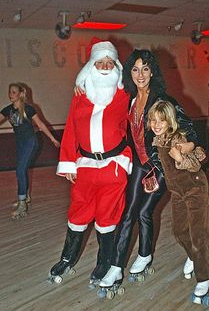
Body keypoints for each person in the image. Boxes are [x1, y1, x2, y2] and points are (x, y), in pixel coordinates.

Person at [98, 49, 198, 294]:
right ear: (129, 73)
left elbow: (191, 132)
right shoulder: (130, 100)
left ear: (152, 71)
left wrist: (184, 147)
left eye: (145, 68)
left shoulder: (163, 101)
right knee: (127, 213)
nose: (140, 74)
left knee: (144, 212)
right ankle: (116, 266)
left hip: (162, 165)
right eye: (135, 69)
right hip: (140, 165)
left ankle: (144, 255)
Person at [48, 38, 132, 286]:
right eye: (100, 62)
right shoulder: (80, 97)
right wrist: (68, 164)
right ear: (91, 67)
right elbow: (71, 132)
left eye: (110, 62)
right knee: (78, 212)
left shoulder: (123, 95)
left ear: (116, 66)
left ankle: (104, 262)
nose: (105, 67)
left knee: (108, 217)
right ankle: (67, 258)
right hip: (85, 166)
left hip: (113, 166)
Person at [147, 100, 209, 304]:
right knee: (179, 232)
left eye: (161, 120)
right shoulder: (157, 140)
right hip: (177, 193)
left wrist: (180, 156)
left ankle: (204, 278)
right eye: (153, 120)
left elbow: (196, 162)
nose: (157, 124)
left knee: (199, 237)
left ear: (170, 121)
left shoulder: (176, 138)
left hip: (195, 189)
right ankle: (194, 257)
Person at [0, 82, 60, 219]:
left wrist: (52, 139)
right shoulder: (8, 110)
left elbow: (41, 125)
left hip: (30, 142)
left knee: (20, 170)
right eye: (10, 92)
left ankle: (22, 204)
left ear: (21, 94)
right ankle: (24, 196)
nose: (11, 94)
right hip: (20, 143)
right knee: (22, 169)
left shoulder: (28, 109)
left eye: (14, 92)